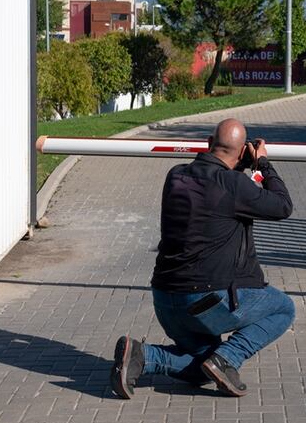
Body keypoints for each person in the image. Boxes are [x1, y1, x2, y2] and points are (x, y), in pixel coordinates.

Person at [110, 118, 295, 398]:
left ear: (208, 145)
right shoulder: (234, 185)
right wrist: (263, 164)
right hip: (206, 302)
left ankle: (141, 355)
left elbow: (217, 186)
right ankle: (228, 357)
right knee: (283, 309)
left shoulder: (176, 175)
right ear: (241, 152)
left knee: (203, 369)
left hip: (166, 300)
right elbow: (282, 206)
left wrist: (238, 165)